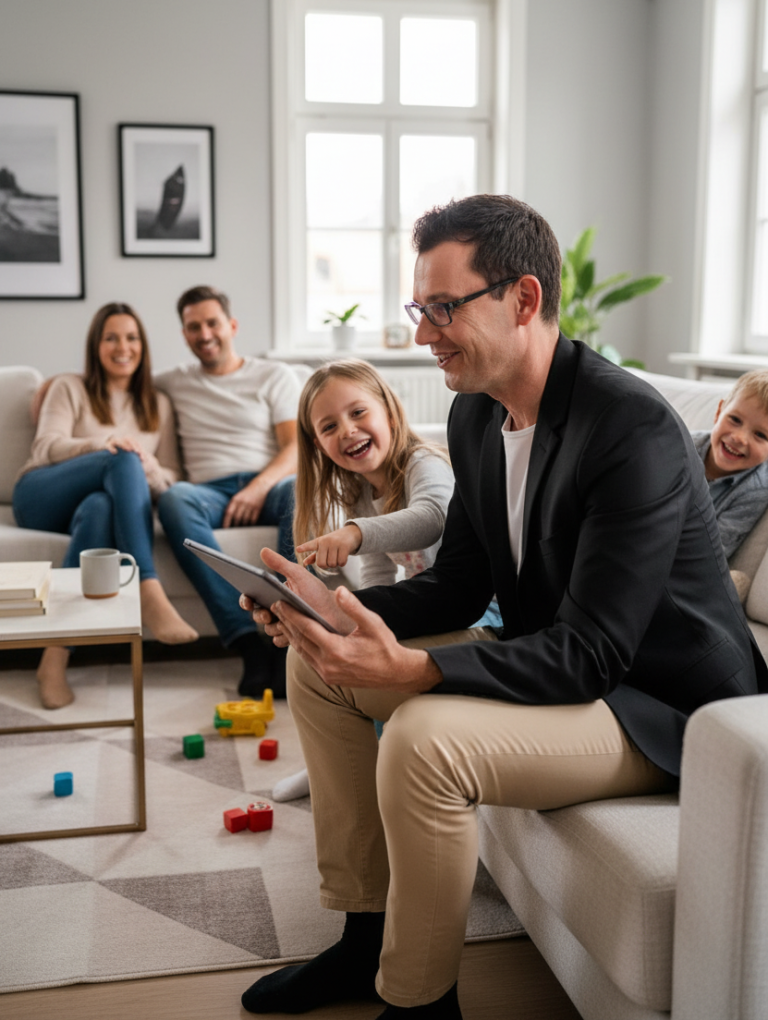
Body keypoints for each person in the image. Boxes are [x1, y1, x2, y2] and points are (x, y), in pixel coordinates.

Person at [237, 194, 768, 1020]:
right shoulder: (477, 415)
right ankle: (362, 940)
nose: (422, 334)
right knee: (318, 674)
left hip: (660, 708)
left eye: (444, 308)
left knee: (421, 740)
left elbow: (591, 654)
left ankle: (420, 1004)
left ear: (523, 300)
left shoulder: (631, 429)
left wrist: (414, 668)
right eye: (422, 308)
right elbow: (459, 585)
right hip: (579, 671)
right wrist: (330, 611)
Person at [272, 359, 454, 803]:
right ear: (318, 445)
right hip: (422, 604)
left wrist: (354, 532)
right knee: (341, 646)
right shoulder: (361, 491)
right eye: (330, 426)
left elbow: (433, 517)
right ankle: (334, 758)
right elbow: (378, 576)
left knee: (369, 667)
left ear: (389, 413)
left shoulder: (423, 462)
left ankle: (363, 761)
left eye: (358, 413)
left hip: (471, 606)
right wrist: (344, 617)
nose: (348, 431)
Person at [13, 303, 197, 710]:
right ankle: (147, 584)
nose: (122, 347)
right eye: (111, 337)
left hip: (92, 506)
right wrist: (104, 445)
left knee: (101, 506)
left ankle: (53, 660)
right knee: (122, 457)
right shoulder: (69, 388)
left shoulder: (158, 404)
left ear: (143, 345)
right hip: (41, 494)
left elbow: (172, 475)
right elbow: (45, 447)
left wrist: (145, 466)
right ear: (96, 345)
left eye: (131, 337)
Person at [155, 286, 300, 699]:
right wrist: (57, 387)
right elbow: (117, 377)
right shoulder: (173, 381)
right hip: (209, 494)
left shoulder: (272, 375)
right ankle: (246, 644)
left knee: (297, 488)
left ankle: (286, 632)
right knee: (174, 498)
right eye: (193, 327)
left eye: (212, 323)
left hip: (269, 484)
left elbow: (294, 448)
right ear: (184, 335)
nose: (204, 334)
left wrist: (257, 488)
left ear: (231, 325)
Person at [691, 369, 768, 561]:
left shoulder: (755, 491)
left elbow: (714, 553)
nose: (739, 438)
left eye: (760, 435)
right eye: (735, 419)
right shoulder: (682, 444)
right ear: (719, 412)